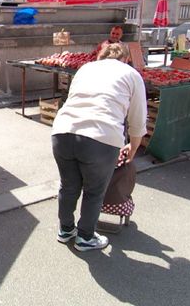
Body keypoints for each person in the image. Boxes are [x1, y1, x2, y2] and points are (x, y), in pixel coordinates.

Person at [51, 43, 147, 252]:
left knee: (68, 186)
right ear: (125, 59)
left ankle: (65, 229)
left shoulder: (85, 69)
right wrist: (134, 145)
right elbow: (138, 118)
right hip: (100, 136)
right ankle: (85, 236)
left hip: (62, 131)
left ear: (100, 57)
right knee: (94, 191)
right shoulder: (131, 74)